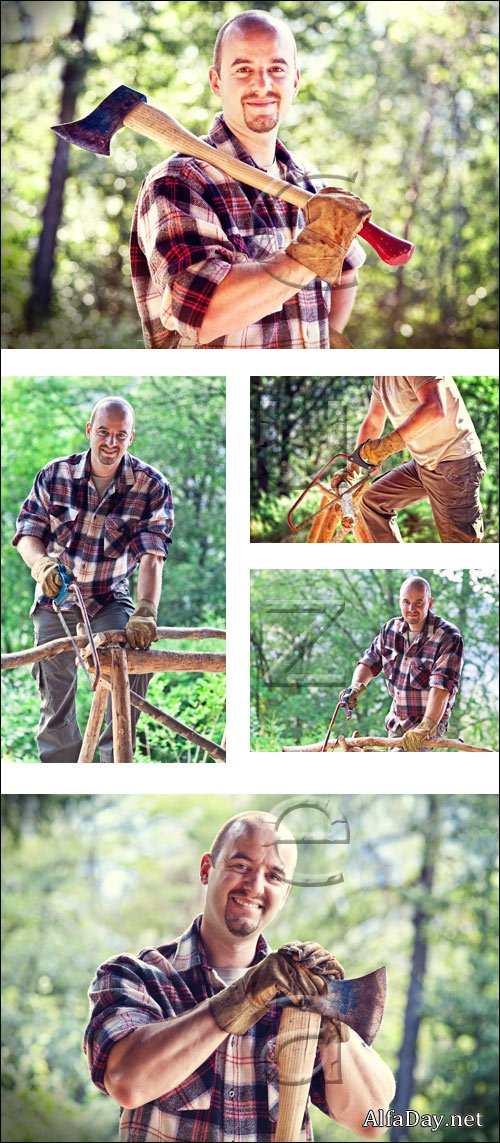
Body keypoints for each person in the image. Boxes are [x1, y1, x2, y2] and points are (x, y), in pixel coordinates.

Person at [84, 810, 395, 1141]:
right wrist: (244, 996)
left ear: (286, 893)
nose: (254, 886)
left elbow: (371, 1120)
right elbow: (127, 1082)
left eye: (274, 876)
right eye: (241, 866)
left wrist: (333, 1019)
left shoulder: (300, 995)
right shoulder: (137, 977)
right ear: (207, 869)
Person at [131, 9, 371, 349]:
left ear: (295, 80)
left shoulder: (310, 186)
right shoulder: (179, 182)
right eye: (243, 69)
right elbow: (203, 313)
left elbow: (346, 271)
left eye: (276, 69)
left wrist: (323, 348)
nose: (262, 84)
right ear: (216, 81)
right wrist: (312, 251)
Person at [13, 397, 174, 763]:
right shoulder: (55, 475)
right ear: (90, 431)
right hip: (57, 599)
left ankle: (110, 764)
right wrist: (41, 567)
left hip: (109, 597)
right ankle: (63, 771)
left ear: (131, 437)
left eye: (120, 435)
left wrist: (147, 609)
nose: (110, 443)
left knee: (133, 666)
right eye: (103, 432)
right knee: (56, 702)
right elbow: (27, 532)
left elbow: (152, 553)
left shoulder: (151, 486)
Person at [336, 375, 485, 542]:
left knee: (457, 543)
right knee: (374, 502)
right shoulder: (381, 378)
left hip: (455, 463)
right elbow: (373, 422)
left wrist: (387, 446)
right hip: (423, 464)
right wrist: (353, 467)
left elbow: (435, 408)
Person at [341, 576, 464, 751]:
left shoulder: (448, 637)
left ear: (430, 602)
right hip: (396, 721)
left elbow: (441, 688)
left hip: (429, 722)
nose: (411, 608)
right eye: (406, 602)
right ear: (400, 601)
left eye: (419, 603)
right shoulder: (390, 629)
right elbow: (370, 660)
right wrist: (355, 687)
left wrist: (425, 727)